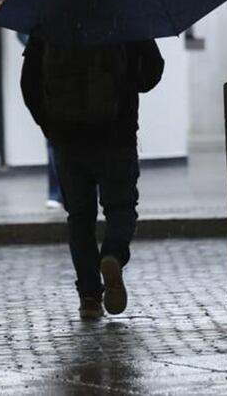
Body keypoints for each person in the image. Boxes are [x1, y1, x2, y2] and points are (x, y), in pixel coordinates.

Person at [21, 36, 164, 320]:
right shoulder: (122, 14)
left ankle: (89, 297)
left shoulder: (50, 17)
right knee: (121, 207)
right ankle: (112, 254)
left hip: (67, 139)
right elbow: (152, 71)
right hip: (116, 136)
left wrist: (50, 125)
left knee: (80, 217)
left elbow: (29, 84)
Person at [16, 32, 63, 209]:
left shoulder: (45, 20)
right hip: (101, 110)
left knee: (57, 147)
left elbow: (29, 84)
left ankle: (57, 193)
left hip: (60, 104)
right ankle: (58, 192)